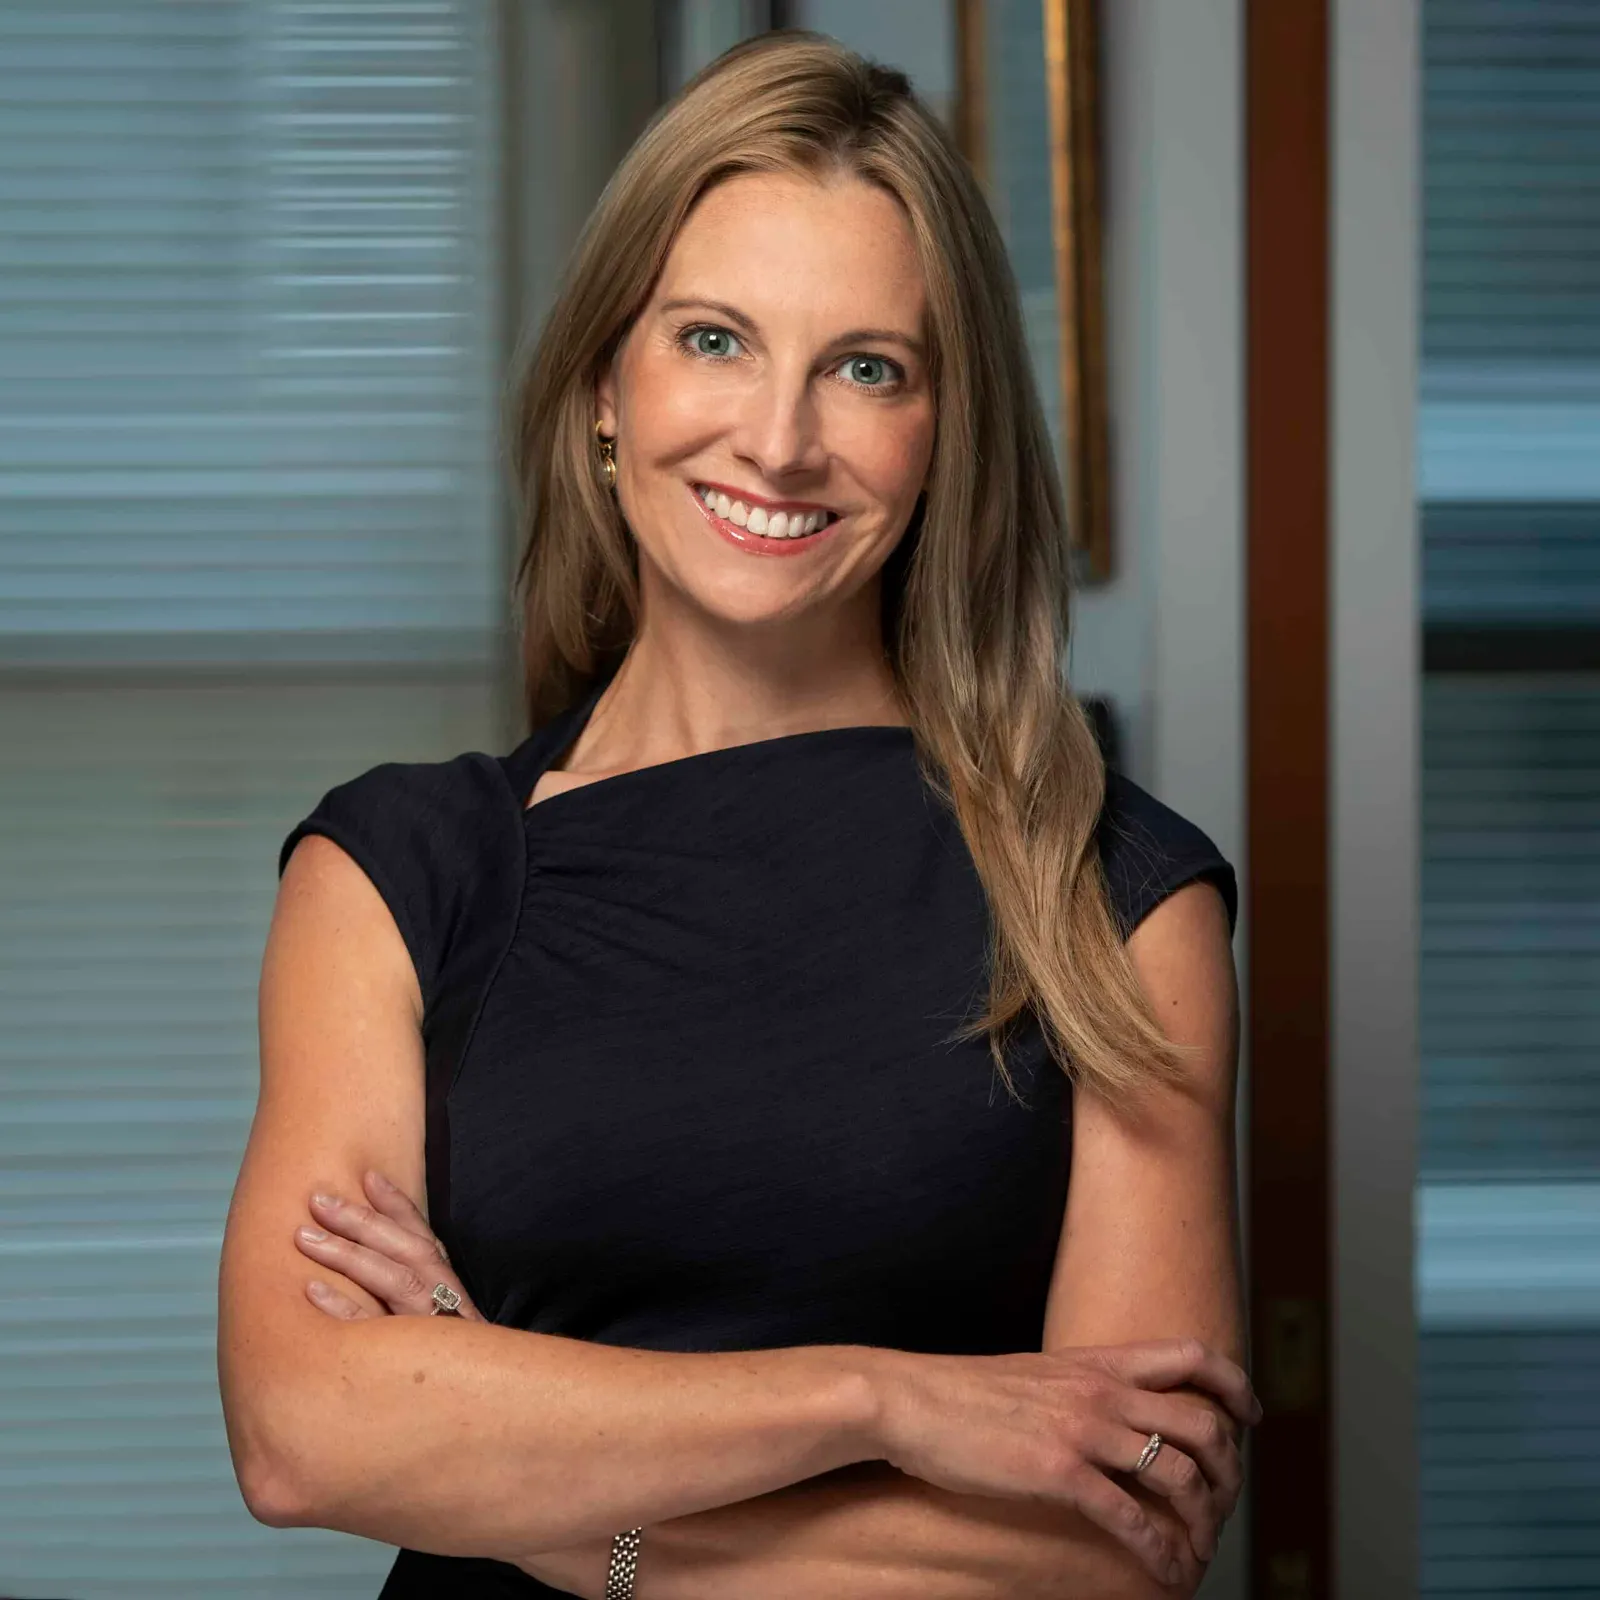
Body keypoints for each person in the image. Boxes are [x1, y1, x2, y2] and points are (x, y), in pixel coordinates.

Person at [218, 29, 1254, 1600]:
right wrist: (886, 1399)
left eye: (866, 368)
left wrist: (534, 1478)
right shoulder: (399, 872)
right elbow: (305, 1434)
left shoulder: (1115, 900)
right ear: (600, 391)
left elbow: (1113, 1550)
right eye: (713, 339)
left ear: (941, 435)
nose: (778, 440)